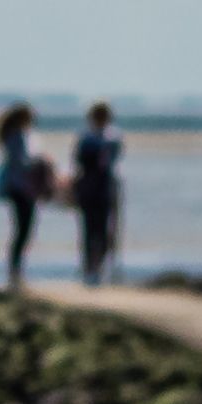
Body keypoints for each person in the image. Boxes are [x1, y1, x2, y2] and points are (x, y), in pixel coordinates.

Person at [0, 103, 60, 287]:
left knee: (22, 230)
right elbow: (23, 162)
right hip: (20, 188)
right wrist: (43, 161)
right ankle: (15, 272)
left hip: (20, 188)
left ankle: (16, 271)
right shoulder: (17, 136)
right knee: (23, 230)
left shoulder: (17, 136)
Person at [70, 99, 125, 282]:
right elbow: (79, 161)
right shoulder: (89, 138)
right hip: (91, 187)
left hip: (104, 187)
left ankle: (98, 266)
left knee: (103, 229)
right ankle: (90, 267)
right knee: (90, 229)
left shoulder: (111, 137)